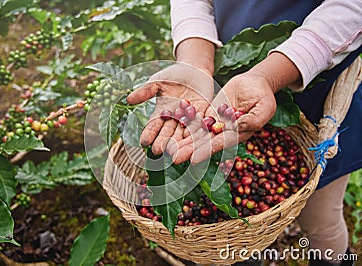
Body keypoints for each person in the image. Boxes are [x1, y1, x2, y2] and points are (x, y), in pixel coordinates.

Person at [127, 1, 362, 265]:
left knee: (322, 221)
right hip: (226, 90)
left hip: (318, 93)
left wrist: (268, 77)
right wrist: (195, 63)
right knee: (241, 229)